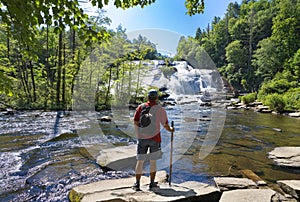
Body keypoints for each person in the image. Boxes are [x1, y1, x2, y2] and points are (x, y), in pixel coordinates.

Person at [132, 89, 174, 191]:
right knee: (153, 162)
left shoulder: (141, 107)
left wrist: (138, 134)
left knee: (140, 161)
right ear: (157, 98)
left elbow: (136, 122)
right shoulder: (160, 109)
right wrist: (171, 130)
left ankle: (137, 184)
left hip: (142, 138)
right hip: (155, 139)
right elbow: (165, 125)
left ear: (147, 97)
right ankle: (152, 184)